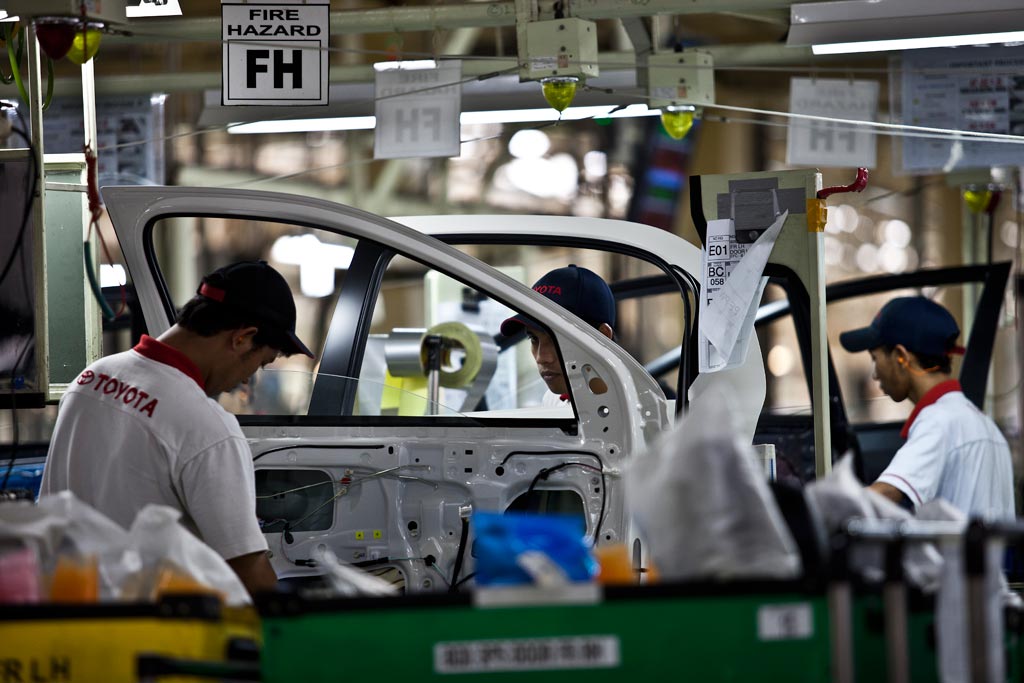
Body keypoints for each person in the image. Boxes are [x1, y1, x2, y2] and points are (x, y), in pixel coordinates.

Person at [41, 261, 314, 596]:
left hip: (59, 608)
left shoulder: (91, 378)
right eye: (259, 364)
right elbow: (248, 572)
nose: (246, 379)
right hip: (148, 631)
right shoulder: (207, 426)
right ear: (243, 338)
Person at [839, 296, 1014, 519]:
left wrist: (816, 512)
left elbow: (885, 492)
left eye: (875, 358)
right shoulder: (986, 425)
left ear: (901, 357)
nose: (874, 374)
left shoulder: (938, 420)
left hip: (954, 555)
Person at [500, 265, 616, 406]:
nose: (541, 358)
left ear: (602, 336)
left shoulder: (633, 412)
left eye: (557, 339)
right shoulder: (554, 400)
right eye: (533, 339)